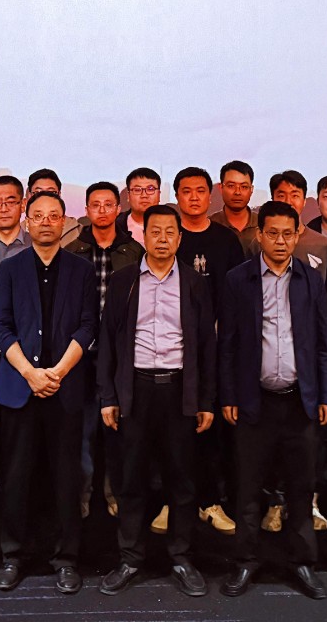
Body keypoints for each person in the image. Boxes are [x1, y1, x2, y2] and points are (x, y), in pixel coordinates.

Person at [218, 201, 327, 600]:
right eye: (273, 233)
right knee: (248, 488)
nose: (281, 241)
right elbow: (227, 343)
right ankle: (245, 561)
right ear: (260, 234)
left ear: (298, 235)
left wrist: (326, 394)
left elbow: (324, 343)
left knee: (302, 487)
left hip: (301, 401)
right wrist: (229, 394)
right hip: (254, 401)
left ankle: (302, 562)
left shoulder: (310, 279)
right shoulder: (238, 279)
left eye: (288, 233)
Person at [97, 204, 214, 598]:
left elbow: (207, 345)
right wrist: (109, 396)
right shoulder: (124, 280)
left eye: (170, 232)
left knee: (182, 479)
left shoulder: (195, 282)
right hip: (135, 389)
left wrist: (206, 400)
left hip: (180, 389)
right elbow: (108, 341)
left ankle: (181, 557)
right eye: (155, 232)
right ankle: (130, 558)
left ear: (180, 238)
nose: (162, 239)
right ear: (143, 236)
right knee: (131, 479)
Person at [0, 189, 96, 594]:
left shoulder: (81, 270)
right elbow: (0, 326)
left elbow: (88, 325)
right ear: (27, 221)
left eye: (54, 215)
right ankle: (13, 556)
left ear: (65, 221)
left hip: (65, 390)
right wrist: (31, 374)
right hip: (20, 389)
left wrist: (57, 372)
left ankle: (66, 559)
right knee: (16, 476)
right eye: (38, 215)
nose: (46, 222)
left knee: (66, 478)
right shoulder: (11, 269)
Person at [64, 181, 143, 519]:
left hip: (121, 355)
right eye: (95, 205)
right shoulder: (72, 251)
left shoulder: (134, 251)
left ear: (117, 209)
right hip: (80, 355)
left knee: (119, 431)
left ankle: (115, 493)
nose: (102, 210)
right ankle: (81, 495)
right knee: (81, 432)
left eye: (108, 204)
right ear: (86, 210)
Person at [172, 166, 243, 535]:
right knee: (174, 430)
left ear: (210, 194)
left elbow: (237, 295)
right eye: (186, 191)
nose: (194, 197)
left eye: (200, 191)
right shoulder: (169, 236)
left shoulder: (226, 240)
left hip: (216, 349)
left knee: (212, 429)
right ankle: (173, 501)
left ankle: (211, 501)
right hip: (171, 351)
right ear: (176, 196)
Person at [267, 170, 327, 286]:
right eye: (281, 196)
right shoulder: (259, 243)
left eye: (295, 195)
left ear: (304, 201)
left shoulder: (324, 245)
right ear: (272, 199)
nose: (288, 202)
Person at [212, 160, 259, 251]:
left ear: (251, 189)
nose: (237, 192)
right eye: (231, 186)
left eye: (244, 187)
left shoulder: (263, 224)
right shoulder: (210, 225)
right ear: (221, 188)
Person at [28, 169, 81, 246]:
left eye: (51, 192)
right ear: (29, 195)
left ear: (59, 194)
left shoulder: (79, 232)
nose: (45, 197)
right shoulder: (19, 232)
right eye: (38, 192)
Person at [119, 167, 161, 245]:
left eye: (150, 189)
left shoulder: (174, 225)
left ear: (159, 195)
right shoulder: (114, 226)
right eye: (137, 190)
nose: (144, 195)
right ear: (128, 196)